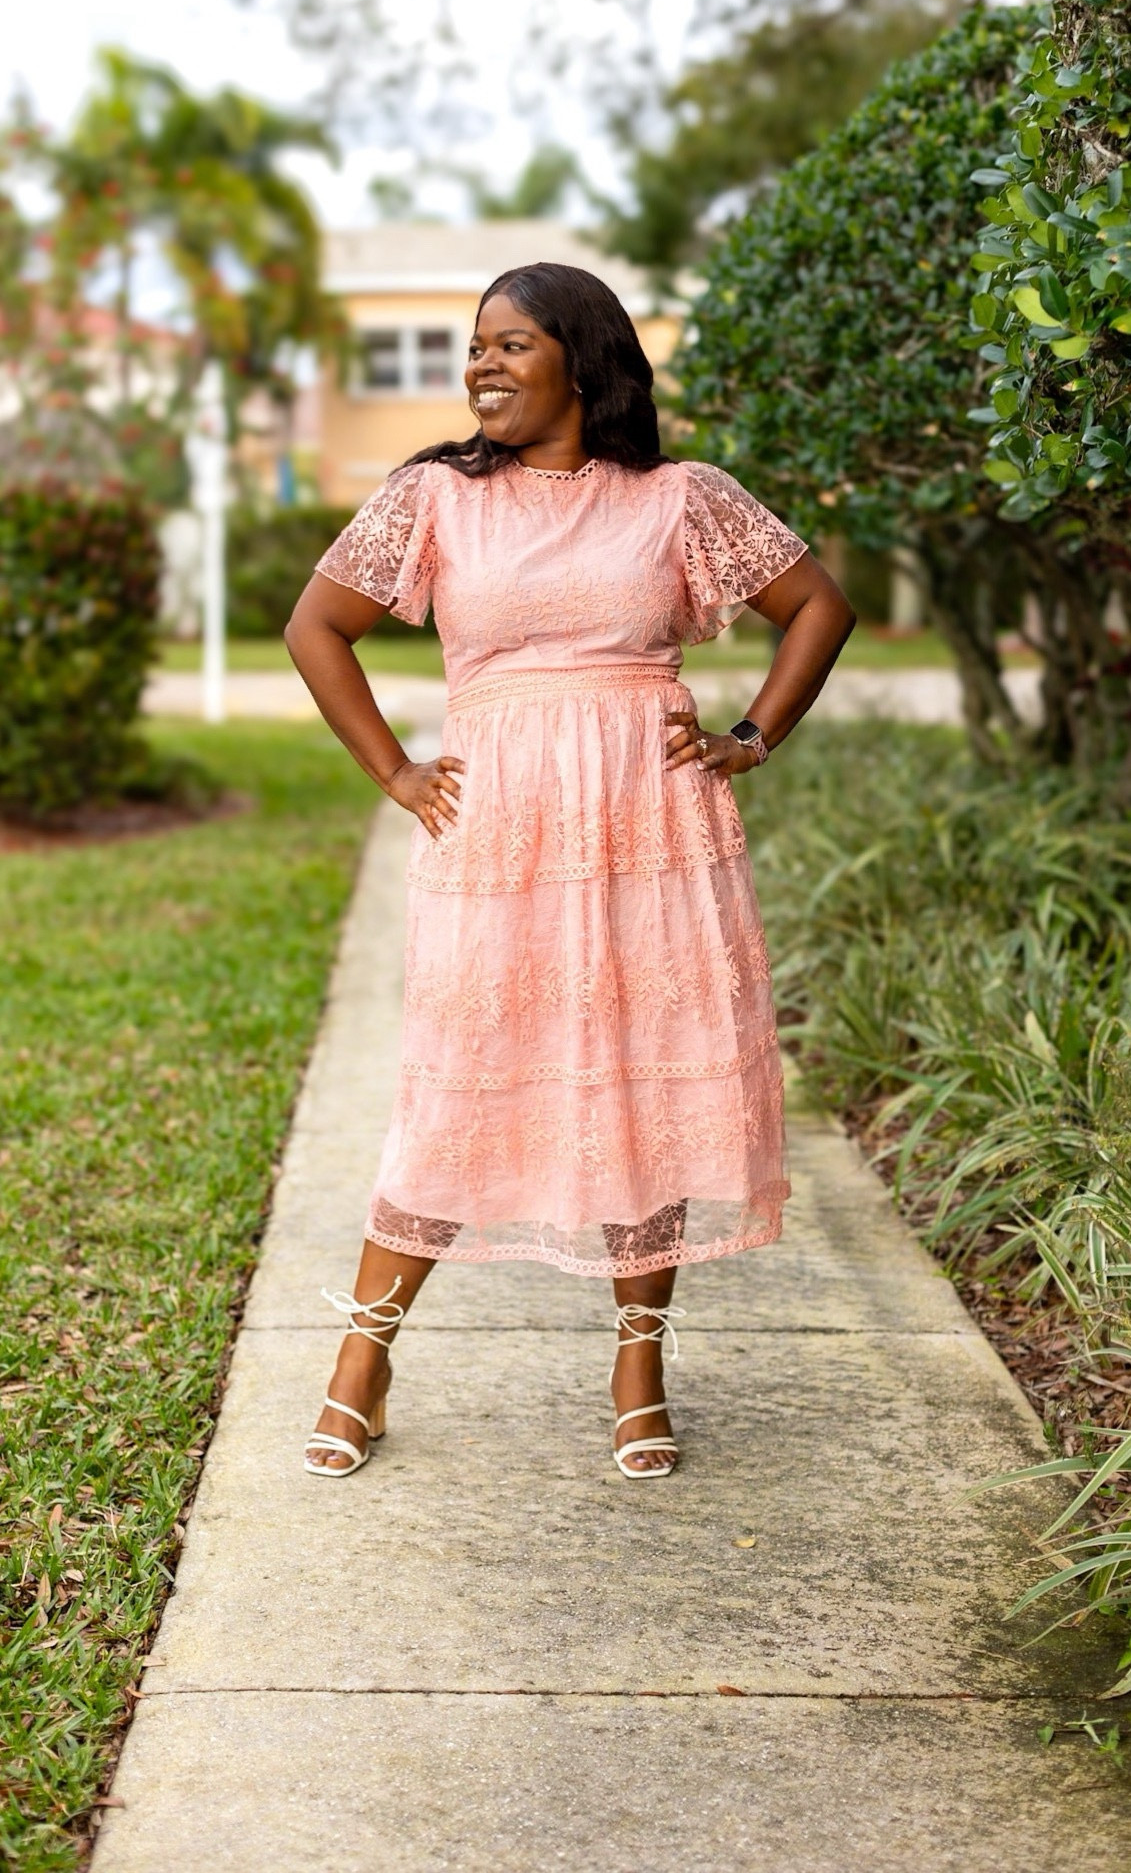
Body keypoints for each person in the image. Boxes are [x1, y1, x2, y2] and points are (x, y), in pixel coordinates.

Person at [285, 261, 854, 1480]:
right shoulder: (435, 496)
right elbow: (313, 626)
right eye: (473, 345)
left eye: (510, 343)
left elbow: (818, 605)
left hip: (654, 825)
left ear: (583, 360)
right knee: (462, 1080)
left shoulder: (680, 496)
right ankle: (363, 1356)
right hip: (500, 832)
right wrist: (393, 770)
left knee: (641, 1095)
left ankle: (639, 1367)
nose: (481, 364)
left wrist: (751, 734)